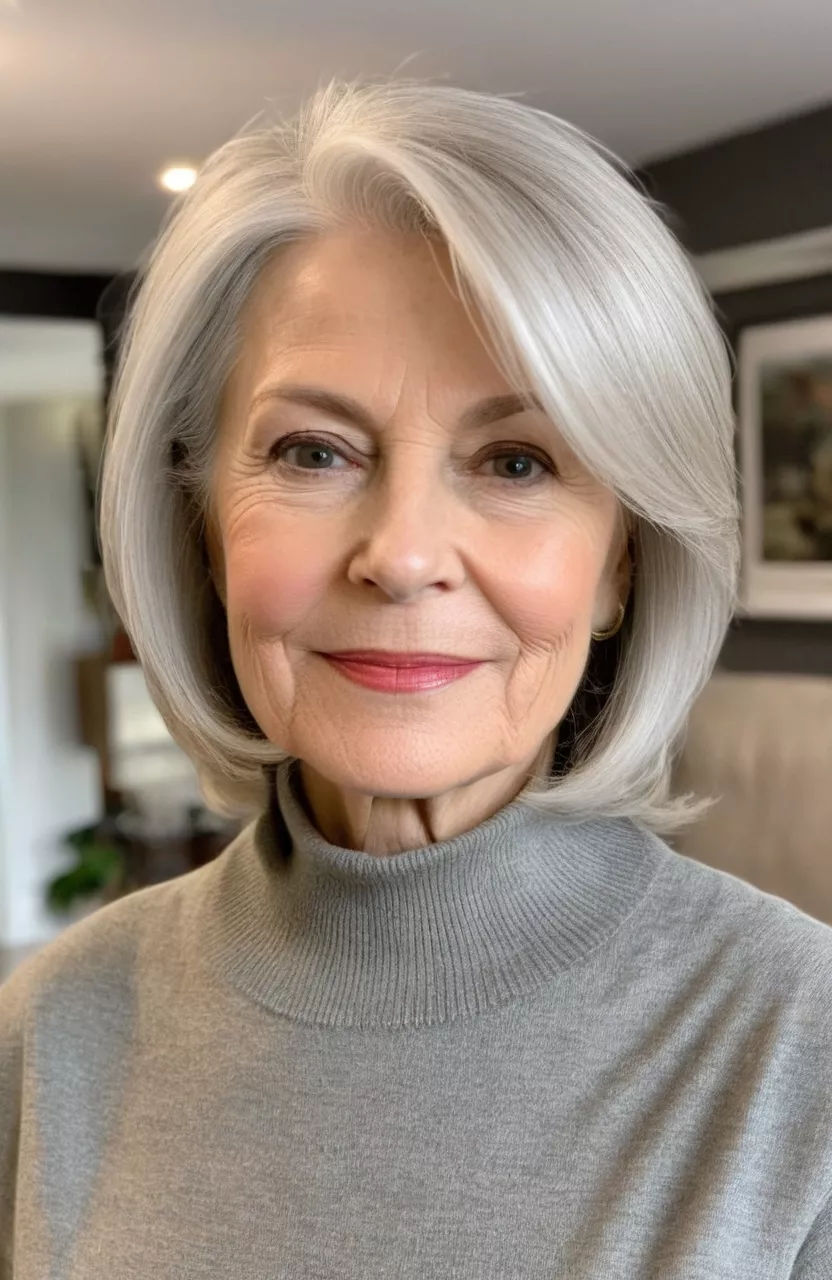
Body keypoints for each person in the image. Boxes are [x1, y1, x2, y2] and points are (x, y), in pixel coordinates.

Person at [1, 79, 830, 1279]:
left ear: (619, 564)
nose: (399, 553)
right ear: (198, 529)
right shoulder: (54, 1031)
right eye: (313, 450)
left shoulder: (797, 1051)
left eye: (515, 458)